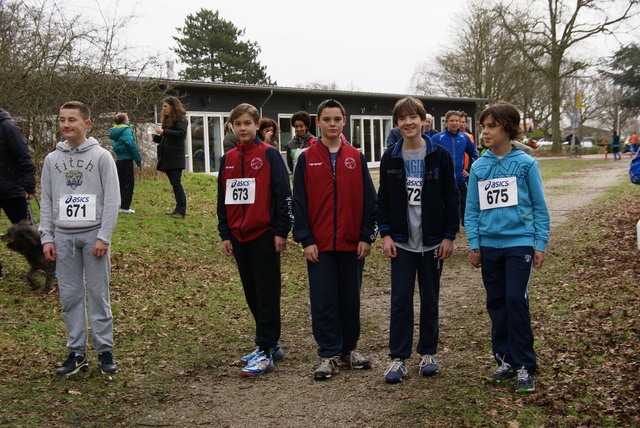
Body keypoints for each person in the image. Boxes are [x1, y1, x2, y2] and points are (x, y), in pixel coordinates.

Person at [465, 102, 550, 393]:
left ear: (508, 128)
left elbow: (540, 206)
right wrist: (474, 245)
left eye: (491, 126)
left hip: (520, 243)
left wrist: (540, 243)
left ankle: (525, 365)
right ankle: (505, 360)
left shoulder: (526, 164)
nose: (485, 132)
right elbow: (472, 211)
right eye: (483, 127)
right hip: (490, 246)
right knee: (497, 303)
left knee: (516, 299)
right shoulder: (479, 166)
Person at [293, 99, 378, 380]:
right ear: (318, 123)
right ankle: (328, 353)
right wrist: (306, 239)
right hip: (320, 246)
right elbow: (299, 202)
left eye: (337, 119)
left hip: (352, 243)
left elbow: (369, 199)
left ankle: (348, 350)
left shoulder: (356, 156)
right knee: (324, 300)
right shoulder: (306, 157)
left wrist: (366, 236)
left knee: (350, 299)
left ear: (344, 122)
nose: (332, 123)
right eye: (326, 119)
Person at [378, 97, 460, 384]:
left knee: (429, 299)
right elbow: (384, 199)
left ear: (424, 121)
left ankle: (428, 353)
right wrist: (386, 233)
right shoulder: (391, 156)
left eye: (414, 117)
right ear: (397, 123)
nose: (408, 122)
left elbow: (452, 198)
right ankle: (398, 358)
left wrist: (449, 236)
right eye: (403, 118)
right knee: (400, 301)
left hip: (432, 242)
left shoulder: (439, 155)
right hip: (401, 241)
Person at [39, 101, 120, 376]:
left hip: (93, 236)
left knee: (98, 295)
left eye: (72, 120)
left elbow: (112, 198)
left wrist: (104, 236)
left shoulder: (101, 157)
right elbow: (47, 201)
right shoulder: (52, 160)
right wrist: (46, 237)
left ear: (86, 124)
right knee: (70, 296)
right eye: (62, 120)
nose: (65, 125)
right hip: (63, 237)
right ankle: (76, 351)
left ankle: (104, 350)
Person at [217, 103, 293, 377]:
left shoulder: (270, 154)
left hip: (264, 234)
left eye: (247, 123)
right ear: (232, 127)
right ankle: (271, 342)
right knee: (251, 292)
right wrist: (225, 232)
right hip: (238, 235)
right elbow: (222, 199)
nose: (243, 128)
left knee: (267, 293)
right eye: (237, 124)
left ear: (257, 125)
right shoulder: (228, 158)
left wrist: (282, 231)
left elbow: (283, 193)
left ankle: (265, 350)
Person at [0, 108, 36, 280]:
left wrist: (29, 185)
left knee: (28, 232)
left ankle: (47, 263)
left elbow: (24, 156)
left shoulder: (8, 127)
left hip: (11, 189)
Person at [431, 110, 478, 226]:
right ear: (446, 122)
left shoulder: (464, 138)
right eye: (451, 121)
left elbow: (474, 154)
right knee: (443, 202)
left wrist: (468, 170)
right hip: (443, 179)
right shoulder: (437, 138)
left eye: (457, 121)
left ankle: (463, 223)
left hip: (460, 178)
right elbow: (428, 156)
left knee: (463, 202)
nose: (454, 123)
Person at [153, 96, 188, 219]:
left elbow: (181, 134)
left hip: (175, 157)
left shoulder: (181, 119)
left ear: (173, 107)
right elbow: (167, 138)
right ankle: (178, 208)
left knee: (176, 183)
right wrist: (156, 137)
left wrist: (163, 132)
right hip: (167, 157)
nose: (163, 109)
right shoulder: (168, 120)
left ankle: (181, 210)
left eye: (165, 106)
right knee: (174, 184)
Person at [110, 112, 142, 214]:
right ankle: (124, 207)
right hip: (127, 160)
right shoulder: (126, 130)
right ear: (124, 121)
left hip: (119, 160)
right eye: (127, 119)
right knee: (128, 184)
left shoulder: (114, 130)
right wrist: (138, 160)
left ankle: (117, 205)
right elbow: (131, 145)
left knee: (119, 183)